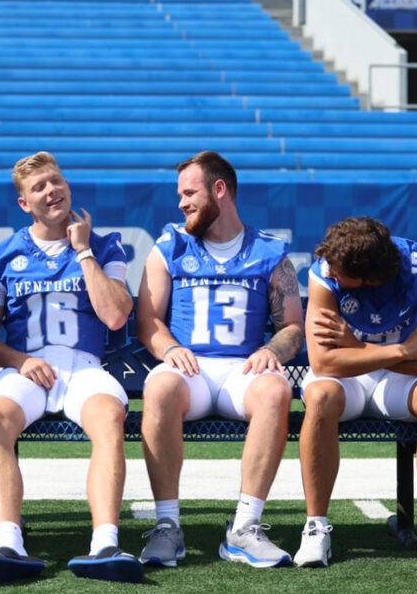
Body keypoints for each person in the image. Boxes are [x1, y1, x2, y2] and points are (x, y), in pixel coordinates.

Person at [0, 152, 142, 585]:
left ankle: (105, 541)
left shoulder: (104, 244)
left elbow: (117, 316)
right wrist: (21, 361)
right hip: (26, 367)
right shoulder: (1, 254)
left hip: (84, 366)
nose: (52, 190)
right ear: (24, 204)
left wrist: (82, 250)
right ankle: (8, 541)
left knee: (108, 416)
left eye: (56, 181)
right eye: (39, 187)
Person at [135, 151, 303, 568]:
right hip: (188, 370)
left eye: (189, 193)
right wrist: (170, 348)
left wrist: (271, 349)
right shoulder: (170, 244)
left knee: (275, 390)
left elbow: (293, 326)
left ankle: (245, 528)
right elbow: (149, 320)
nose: (181, 203)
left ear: (219, 190)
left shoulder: (268, 250)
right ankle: (167, 525)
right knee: (158, 386)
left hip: (241, 370)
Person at [298, 216, 417, 568]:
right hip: (349, 380)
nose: (332, 274)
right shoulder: (325, 271)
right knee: (321, 396)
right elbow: (324, 362)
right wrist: (400, 350)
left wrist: (353, 348)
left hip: (397, 381)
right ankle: (315, 528)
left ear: (368, 276)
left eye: (341, 273)